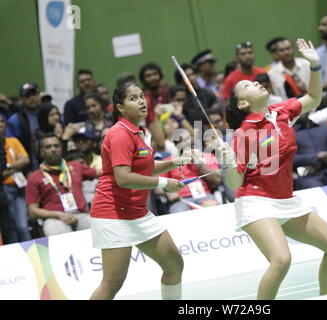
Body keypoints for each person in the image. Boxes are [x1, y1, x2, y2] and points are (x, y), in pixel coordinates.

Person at [222, 39, 327, 299]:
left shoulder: (281, 111)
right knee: (281, 259)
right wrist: (231, 163)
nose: (255, 81)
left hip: (286, 199)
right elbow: (235, 183)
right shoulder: (245, 133)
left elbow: (313, 98)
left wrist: (314, 66)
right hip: (256, 201)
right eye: (247, 85)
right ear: (243, 104)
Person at [89, 81, 201, 300]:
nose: (141, 101)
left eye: (141, 96)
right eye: (133, 98)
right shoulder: (119, 134)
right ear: (120, 107)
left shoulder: (139, 132)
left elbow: (144, 167)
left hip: (137, 211)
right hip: (113, 214)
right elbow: (123, 178)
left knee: (174, 264)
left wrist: (177, 160)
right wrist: (163, 183)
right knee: (112, 284)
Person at [26, 133, 100, 236]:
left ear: (61, 149)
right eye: (48, 147)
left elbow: (103, 174)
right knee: (58, 233)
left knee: (99, 227)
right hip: (54, 219)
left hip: (81, 215)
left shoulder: (75, 166)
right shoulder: (35, 177)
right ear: (41, 152)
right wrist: (58, 215)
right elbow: (33, 211)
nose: (53, 149)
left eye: (56, 146)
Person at [0, 111, 31, 243]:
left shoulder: (13, 141)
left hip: (19, 186)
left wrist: (8, 167)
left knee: (23, 226)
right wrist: (16, 166)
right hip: (5, 188)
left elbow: (26, 159)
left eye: (2, 121)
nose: (0, 124)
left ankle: (31, 253)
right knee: (11, 227)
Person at [6, 83, 41, 174]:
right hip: (27, 169)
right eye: (27, 96)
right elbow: (10, 146)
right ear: (21, 99)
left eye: (34, 95)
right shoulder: (15, 120)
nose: (31, 98)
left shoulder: (47, 114)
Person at [139, 62, 168, 151]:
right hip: (153, 139)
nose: (152, 78)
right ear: (143, 80)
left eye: (155, 74)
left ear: (160, 76)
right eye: (148, 76)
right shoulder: (143, 99)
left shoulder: (166, 93)